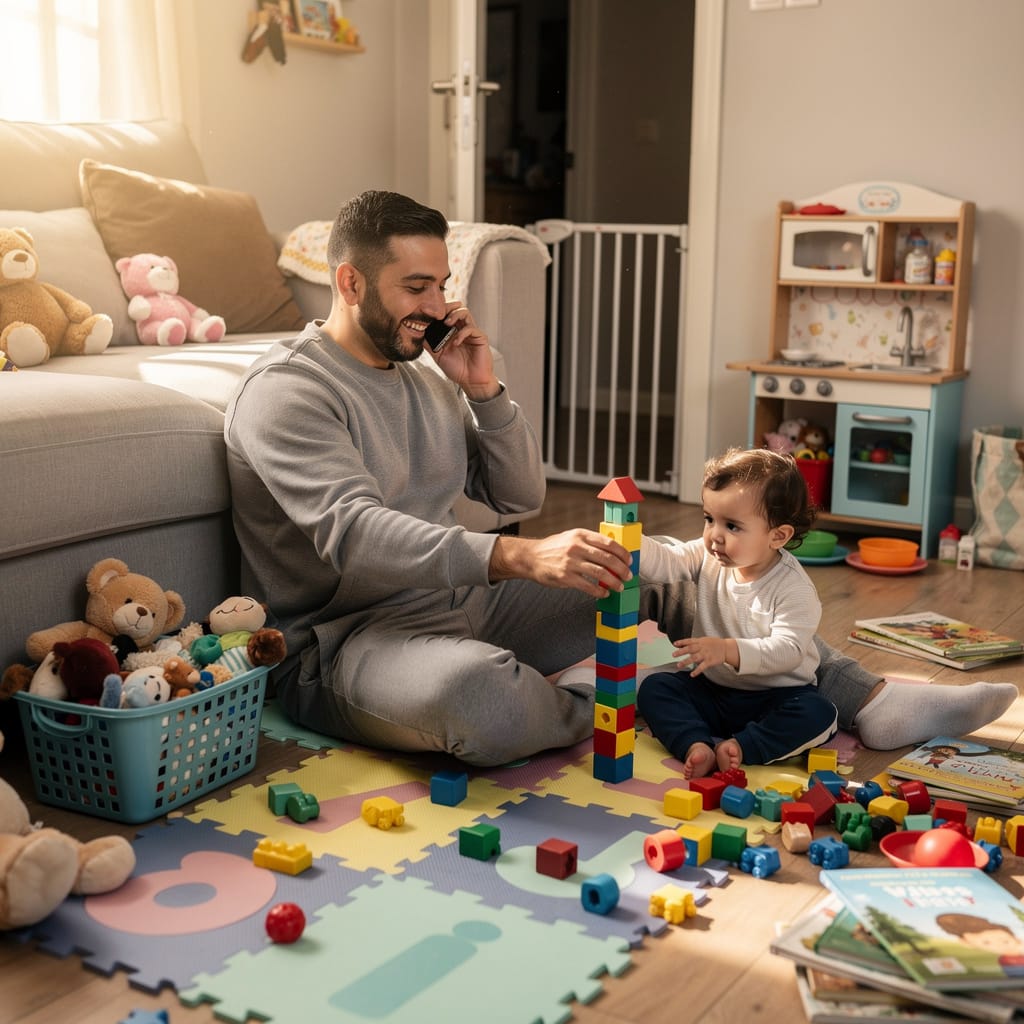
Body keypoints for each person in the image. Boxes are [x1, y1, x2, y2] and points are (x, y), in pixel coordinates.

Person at [224, 189, 1017, 767]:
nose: (437, 307)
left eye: (441, 284)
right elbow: (355, 536)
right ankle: (613, 693)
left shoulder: (423, 371)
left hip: (466, 604)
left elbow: (516, 496)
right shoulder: (290, 392)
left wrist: (485, 391)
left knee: (654, 565)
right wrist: (513, 557)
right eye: (416, 288)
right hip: (347, 641)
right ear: (350, 283)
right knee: (476, 701)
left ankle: (871, 702)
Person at [635, 448, 838, 778]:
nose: (714, 535)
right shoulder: (708, 555)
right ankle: (695, 744)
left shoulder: (793, 588)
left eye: (732, 526)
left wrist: (727, 650)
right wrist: (627, 540)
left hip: (776, 696)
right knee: (656, 689)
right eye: (709, 519)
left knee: (820, 714)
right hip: (714, 690)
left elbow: (788, 651)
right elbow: (667, 560)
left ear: (778, 536)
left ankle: (744, 746)